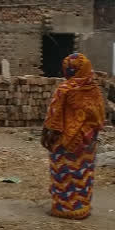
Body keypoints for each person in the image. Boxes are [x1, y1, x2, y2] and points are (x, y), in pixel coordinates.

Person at [41, 53, 104, 220]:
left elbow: (54, 116)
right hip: (87, 141)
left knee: (64, 173)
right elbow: (99, 117)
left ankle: (64, 209)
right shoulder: (94, 90)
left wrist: (47, 134)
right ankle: (82, 207)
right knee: (83, 172)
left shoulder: (65, 89)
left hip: (65, 141)